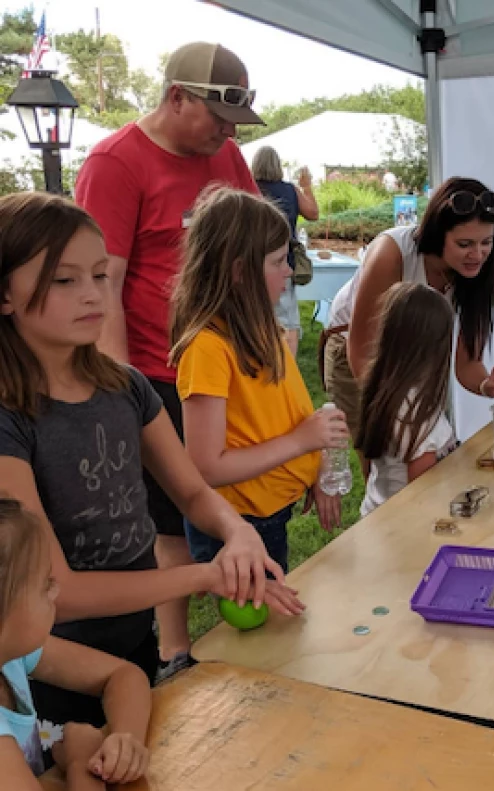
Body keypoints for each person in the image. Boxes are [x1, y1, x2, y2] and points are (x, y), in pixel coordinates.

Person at [0, 192, 300, 745]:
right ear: (5, 293)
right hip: (47, 657)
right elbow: (52, 588)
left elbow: (191, 491)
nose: (93, 295)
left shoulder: (126, 387)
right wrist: (206, 574)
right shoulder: (10, 416)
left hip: (134, 643)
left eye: (98, 274)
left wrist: (236, 533)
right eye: (64, 281)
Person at [75, 41, 264, 680]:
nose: (226, 135)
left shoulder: (228, 156)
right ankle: (173, 648)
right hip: (156, 371)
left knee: (226, 486)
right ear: (176, 96)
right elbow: (104, 286)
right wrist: (123, 391)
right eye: (217, 117)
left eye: (235, 125)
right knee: (170, 515)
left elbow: (252, 245)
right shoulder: (116, 163)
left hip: (227, 362)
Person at [169, 187, 348, 571]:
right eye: (279, 261)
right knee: (256, 625)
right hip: (239, 525)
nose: (288, 271)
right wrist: (302, 442)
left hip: (270, 512)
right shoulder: (207, 348)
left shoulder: (262, 324)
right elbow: (207, 468)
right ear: (239, 271)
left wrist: (313, 463)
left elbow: (289, 410)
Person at [322, 177, 494, 469]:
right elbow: (361, 353)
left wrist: (487, 385)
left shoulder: (479, 272)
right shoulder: (391, 253)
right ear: (438, 235)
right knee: (383, 460)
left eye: (486, 242)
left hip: (416, 351)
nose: (477, 254)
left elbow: (467, 365)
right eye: (465, 244)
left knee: (422, 457)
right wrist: (394, 412)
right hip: (357, 349)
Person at [0, 497, 152, 789]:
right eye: (45, 585)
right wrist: (80, 762)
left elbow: (123, 675)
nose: (56, 592)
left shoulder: (13, 656)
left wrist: (126, 738)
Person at [357, 283, 459, 516]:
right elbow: (423, 493)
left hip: (377, 515)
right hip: (403, 530)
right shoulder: (417, 414)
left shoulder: (387, 387)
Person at [251, 147, 320, 359]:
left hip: (253, 260)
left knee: (254, 314)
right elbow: (313, 214)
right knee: (287, 318)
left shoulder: (249, 188)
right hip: (283, 259)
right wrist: (307, 187)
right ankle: (288, 367)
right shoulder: (290, 190)